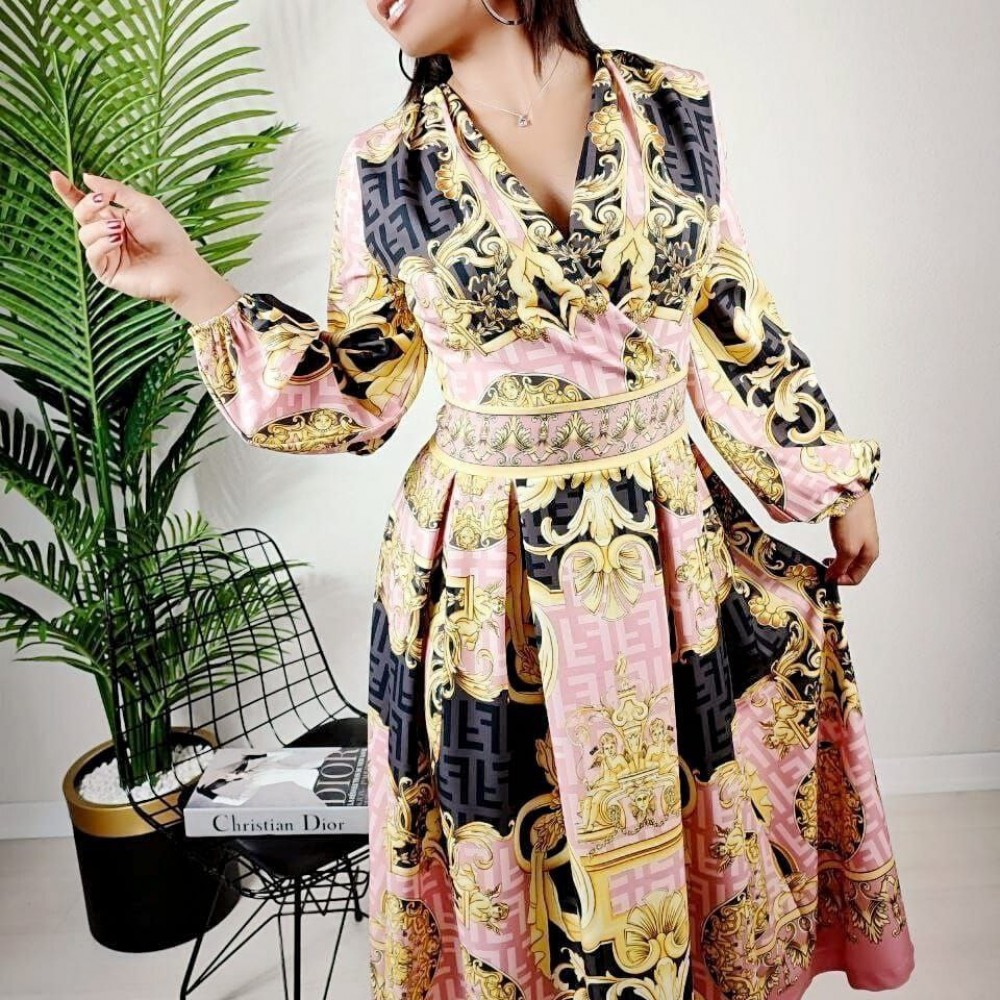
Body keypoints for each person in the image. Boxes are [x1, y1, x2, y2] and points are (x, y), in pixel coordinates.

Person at [50, 1, 917, 996]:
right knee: (519, 852)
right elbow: (357, 392)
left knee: (685, 828)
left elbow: (728, 312)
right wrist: (191, 284)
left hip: (666, 556)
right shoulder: (389, 167)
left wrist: (828, 472)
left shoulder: (672, 106)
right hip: (481, 574)